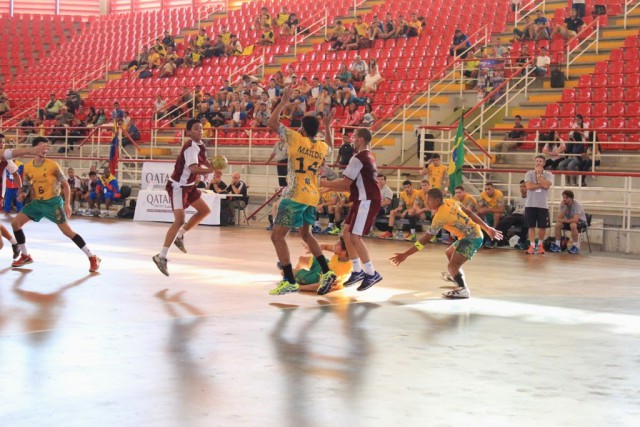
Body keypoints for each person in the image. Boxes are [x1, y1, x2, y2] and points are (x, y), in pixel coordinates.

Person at [266, 86, 337, 295]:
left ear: (303, 129)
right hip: (313, 197)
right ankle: (326, 270)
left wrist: (284, 101)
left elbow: (271, 123)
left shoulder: (296, 139)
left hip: (295, 196)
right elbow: (330, 146)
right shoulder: (321, 147)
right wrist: (329, 127)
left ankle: (289, 279)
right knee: (306, 234)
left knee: (277, 237)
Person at [390, 188, 502, 299]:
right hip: (471, 235)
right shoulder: (451, 202)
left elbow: (424, 240)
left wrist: (405, 254)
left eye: (429, 200)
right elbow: (469, 212)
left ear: (437, 200)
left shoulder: (440, 217)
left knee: (452, 266)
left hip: (471, 238)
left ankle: (463, 289)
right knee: (449, 252)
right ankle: (456, 276)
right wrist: (487, 228)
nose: (426, 202)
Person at [10, 137, 100, 272]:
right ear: (35, 148)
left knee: (67, 231)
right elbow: (27, 185)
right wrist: (23, 193)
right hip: (37, 203)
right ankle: (25, 255)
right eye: (42, 147)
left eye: (47, 147)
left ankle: (92, 257)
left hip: (53, 203)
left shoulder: (53, 165)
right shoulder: (28, 167)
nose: (45, 150)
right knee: (15, 224)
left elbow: (65, 185)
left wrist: (67, 204)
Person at [319, 128, 383, 294]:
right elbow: (352, 184)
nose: (353, 140)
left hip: (367, 199)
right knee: (346, 232)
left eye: (355, 137)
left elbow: (346, 183)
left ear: (360, 139)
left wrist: (325, 184)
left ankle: (371, 273)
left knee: (354, 236)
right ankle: (357, 270)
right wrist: (329, 188)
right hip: (361, 198)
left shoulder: (358, 158)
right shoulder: (368, 156)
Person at [153, 118, 215, 276]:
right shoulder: (190, 147)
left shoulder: (200, 145)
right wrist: (209, 171)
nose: (200, 131)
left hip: (189, 186)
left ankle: (180, 236)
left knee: (204, 211)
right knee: (179, 219)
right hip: (178, 186)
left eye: (201, 128)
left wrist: (212, 166)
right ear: (188, 132)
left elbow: (203, 161)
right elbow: (194, 169)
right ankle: (161, 256)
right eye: (196, 128)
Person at [287, 238, 352, 293]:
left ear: (344, 251)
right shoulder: (343, 254)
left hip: (318, 279)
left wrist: (299, 287)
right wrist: (312, 248)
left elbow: (320, 285)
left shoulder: (340, 271)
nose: (335, 244)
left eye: (338, 244)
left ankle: (297, 278)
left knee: (284, 272)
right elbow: (325, 246)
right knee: (302, 259)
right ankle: (297, 277)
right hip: (327, 267)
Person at [524, 155, 553, 254]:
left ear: (544, 163)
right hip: (530, 203)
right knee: (531, 226)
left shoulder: (549, 174)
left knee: (542, 226)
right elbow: (529, 186)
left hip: (542, 204)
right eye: (537, 161)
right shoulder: (528, 173)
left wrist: (539, 176)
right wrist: (541, 184)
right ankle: (532, 245)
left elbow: (546, 186)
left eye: (541, 161)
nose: (538, 163)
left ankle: (540, 245)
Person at [549, 190, 587, 254]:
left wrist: (565, 221)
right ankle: (558, 245)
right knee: (558, 225)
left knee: (573, 225)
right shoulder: (563, 204)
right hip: (569, 221)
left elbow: (575, 220)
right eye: (563, 197)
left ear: (571, 198)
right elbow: (558, 218)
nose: (564, 199)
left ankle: (575, 246)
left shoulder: (577, 205)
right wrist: (563, 209)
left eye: (566, 198)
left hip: (581, 222)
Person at [495, 180, 529, 248]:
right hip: (514, 215)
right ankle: (499, 240)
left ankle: (521, 242)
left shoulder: (530, 199)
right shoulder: (516, 199)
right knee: (503, 221)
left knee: (527, 221)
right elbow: (512, 210)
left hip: (524, 216)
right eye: (521, 186)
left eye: (524, 186)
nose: (522, 188)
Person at [477, 182, 504, 247]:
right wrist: (481, 210)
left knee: (496, 215)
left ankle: (491, 238)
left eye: (489, 189)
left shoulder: (499, 194)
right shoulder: (483, 194)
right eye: (485, 189)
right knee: (478, 214)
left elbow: (501, 210)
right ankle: (478, 237)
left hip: (498, 213)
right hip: (488, 213)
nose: (487, 191)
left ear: (493, 189)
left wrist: (488, 209)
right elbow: (479, 207)